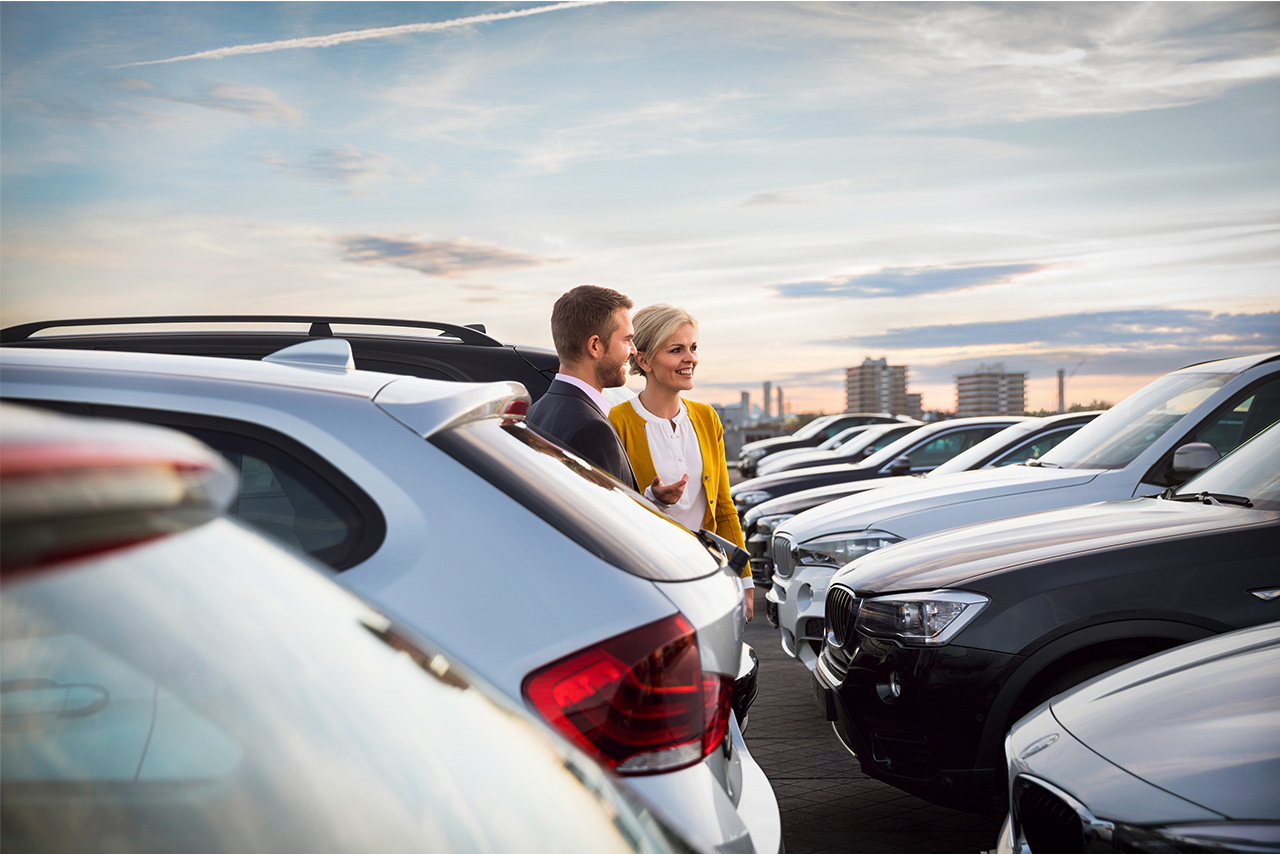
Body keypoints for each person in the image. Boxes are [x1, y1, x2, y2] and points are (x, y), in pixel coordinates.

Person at [609, 304, 753, 619]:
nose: (690, 359)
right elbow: (609, 514)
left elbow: (724, 507)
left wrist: (744, 578)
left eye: (693, 348)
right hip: (652, 583)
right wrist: (651, 498)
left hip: (709, 575)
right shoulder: (617, 421)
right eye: (676, 350)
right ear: (643, 359)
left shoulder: (706, 417)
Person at [526, 285, 682, 502]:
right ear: (595, 346)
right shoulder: (592, 429)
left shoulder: (538, 409)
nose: (634, 350)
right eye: (627, 339)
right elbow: (608, 524)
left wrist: (652, 499)